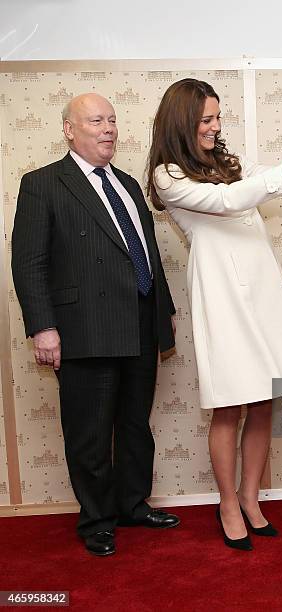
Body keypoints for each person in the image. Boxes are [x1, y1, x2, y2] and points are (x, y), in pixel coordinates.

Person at [146, 78, 282, 550]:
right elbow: (228, 200)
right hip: (222, 294)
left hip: (262, 287)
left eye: (217, 117)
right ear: (182, 122)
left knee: (263, 399)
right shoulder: (167, 174)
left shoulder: (223, 160)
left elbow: (262, 181)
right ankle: (228, 502)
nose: (215, 127)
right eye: (206, 120)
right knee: (230, 403)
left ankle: (252, 499)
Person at [11, 93, 179, 557]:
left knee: (134, 425)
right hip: (84, 328)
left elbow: (147, 255)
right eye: (95, 121)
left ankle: (132, 505)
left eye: (112, 120)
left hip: (140, 325)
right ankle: (98, 520)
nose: (108, 128)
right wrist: (43, 327)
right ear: (69, 129)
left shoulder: (126, 182)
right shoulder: (44, 184)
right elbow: (28, 263)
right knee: (89, 432)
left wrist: (161, 313)